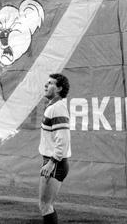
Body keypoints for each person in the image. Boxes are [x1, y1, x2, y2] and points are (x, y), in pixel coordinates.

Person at [38, 73, 71, 224]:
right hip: (54, 162)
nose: (46, 85)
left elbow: (63, 140)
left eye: (50, 83)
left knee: (45, 205)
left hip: (55, 163)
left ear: (59, 88)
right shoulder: (54, 106)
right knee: (46, 205)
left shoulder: (57, 108)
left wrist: (51, 162)